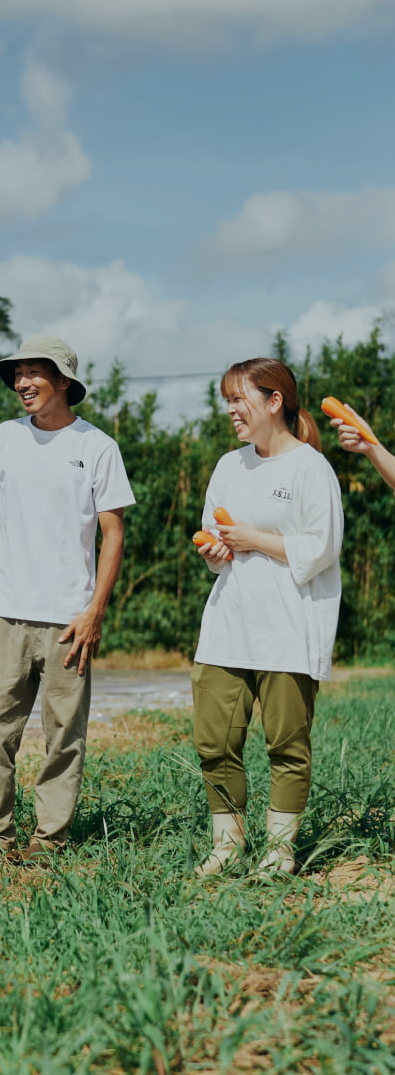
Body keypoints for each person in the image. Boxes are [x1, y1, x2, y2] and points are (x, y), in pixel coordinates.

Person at [0, 335, 135, 868]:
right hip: (5, 614)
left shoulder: (97, 448)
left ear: (64, 382)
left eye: (33, 373)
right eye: (16, 375)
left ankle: (49, 839)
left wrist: (94, 611)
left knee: (63, 735)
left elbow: (113, 534)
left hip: (69, 618)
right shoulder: (2, 439)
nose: (21, 383)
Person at [192, 358, 343, 877]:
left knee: (286, 746)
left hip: (289, 629)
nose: (232, 410)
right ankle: (227, 847)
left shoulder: (310, 468)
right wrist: (214, 551)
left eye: (240, 399)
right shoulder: (228, 466)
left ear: (274, 401)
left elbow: (320, 548)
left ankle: (280, 851)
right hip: (228, 625)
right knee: (214, 741)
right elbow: (215, 541)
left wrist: (253, 539)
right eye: (228, 400)